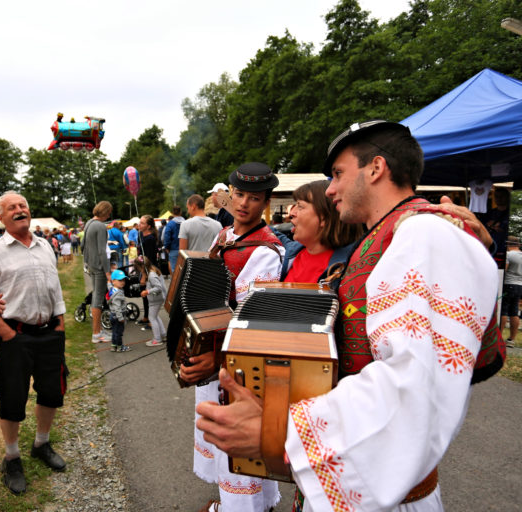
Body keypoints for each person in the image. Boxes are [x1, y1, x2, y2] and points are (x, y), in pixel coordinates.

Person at [196, 121, 505, 511]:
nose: (329, 189)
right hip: (352, 477)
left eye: (338, 174)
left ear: (376, 168)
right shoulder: (382, 238)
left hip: (386, 492)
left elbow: (417, 385)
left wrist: (281, 430)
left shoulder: (426, 232)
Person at [181, 162, 284, 512]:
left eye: (254, 198)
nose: (244, 203)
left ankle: (242, 507)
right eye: (239, 194)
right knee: (224, 435)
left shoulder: (267, 250)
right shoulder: (223, 235)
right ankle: (255, 504)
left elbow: (251, 318)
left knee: (237, 442)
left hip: (237, 358)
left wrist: (217, 358)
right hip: (213, 349)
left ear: (265, 203)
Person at [0, 191, 68, 495]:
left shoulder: (45, 245)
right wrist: (4, 332)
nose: (19, 211)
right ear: (0, 217)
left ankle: (41, 444)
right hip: (13, 335)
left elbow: (54, 286)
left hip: (49, 333)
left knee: (52, 392)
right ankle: (12, 457)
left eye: (23, 206)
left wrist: (60, 323)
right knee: (13, 397)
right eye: (12, 208)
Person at [270, 179, 363, 283]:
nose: (291, 213)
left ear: (324, 218)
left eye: (300, 207)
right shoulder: (295, 250)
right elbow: (271, 232)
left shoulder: (348, 269)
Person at [83, 201, 113, 343]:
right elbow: (102, 251)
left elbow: (83, 245)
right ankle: (96, 333)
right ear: (105, 212)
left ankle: (98, 330)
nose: (109, 215)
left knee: (96, 295)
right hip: (99, 267)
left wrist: (88, 261)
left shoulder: (89, 223)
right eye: (109, 212)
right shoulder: (100, 226)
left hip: (91, 265)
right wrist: (107, 272)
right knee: (98, 298)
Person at [134, 256, 167, 347]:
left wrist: (147, 291)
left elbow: (158, 288)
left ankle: (157, 339)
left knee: (152, 318)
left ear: (142, 267)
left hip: (156, 299)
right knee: (155, 316)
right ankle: (163, 335)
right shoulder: (151, 271)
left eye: (138, 268)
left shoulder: (151, 275)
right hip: (156, 299)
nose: (139, 270)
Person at [137, 214, 159, 325]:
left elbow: (149, 259)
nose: (139, 225)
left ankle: (152, 320)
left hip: (149, 269)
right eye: (139, 222)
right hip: (142, 268)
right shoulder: (140, 235)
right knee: (144, 295)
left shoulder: (150, 239)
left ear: (149, 226)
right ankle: (146, 316)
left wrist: (144, 276)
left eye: (142, 223)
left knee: (150, 295)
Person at [502, 235, 522, 348]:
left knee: (503, 311)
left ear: (508, 244)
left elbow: (504, 269)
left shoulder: (509, 255)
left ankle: (499, 337)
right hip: (519, 285)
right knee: (514, 312)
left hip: (508, 284)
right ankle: (511, 340)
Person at [107, 269, 130, 352]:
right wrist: (121, 318)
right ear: (114, 281)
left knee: (114, 331)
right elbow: (117, 307)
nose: (122, 282)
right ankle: (120, 347)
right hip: (118, 315)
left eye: (123, 280)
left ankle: (113, 346)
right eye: (120, 280)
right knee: (119, 333)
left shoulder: (112, 289)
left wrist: (109, 281)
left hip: (112, 315)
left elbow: (109, 285)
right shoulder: (118, 294)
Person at [163, 205, 185, 273]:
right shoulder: (186, 222)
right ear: (180, 212)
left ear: (172, 213)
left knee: (175, 270)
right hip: (185, 249)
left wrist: (167, 247)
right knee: (184, 270)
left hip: (173, 249)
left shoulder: (170, 224)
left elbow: (167, 237)